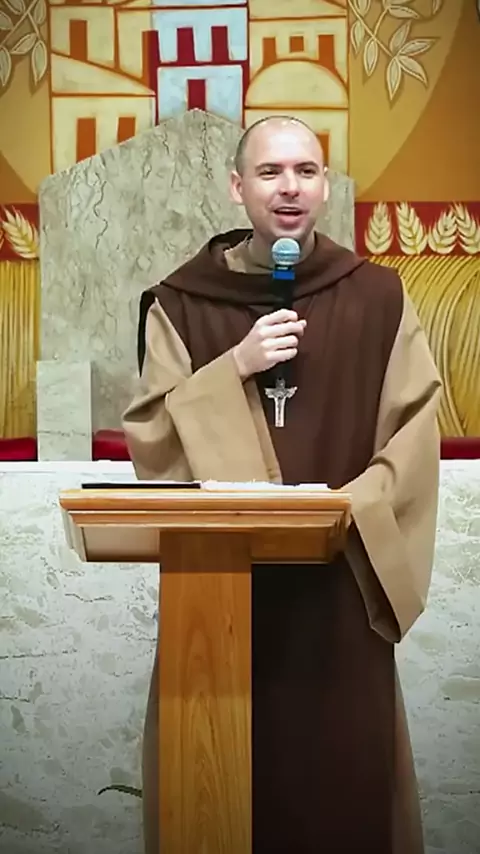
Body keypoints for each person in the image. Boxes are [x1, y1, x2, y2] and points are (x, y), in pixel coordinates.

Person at [122, 116, 442, 854]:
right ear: (238, 187)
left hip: (340, 584)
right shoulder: (181, 303)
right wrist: (234, 366)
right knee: (219, 791)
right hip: (220, 590)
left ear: (325, 187)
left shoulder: (377, 299)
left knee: (341, 790)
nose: (289, 187)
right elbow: (153, 438)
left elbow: (414, 432)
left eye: (306, 170)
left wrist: (344, 513)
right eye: (270, 172)